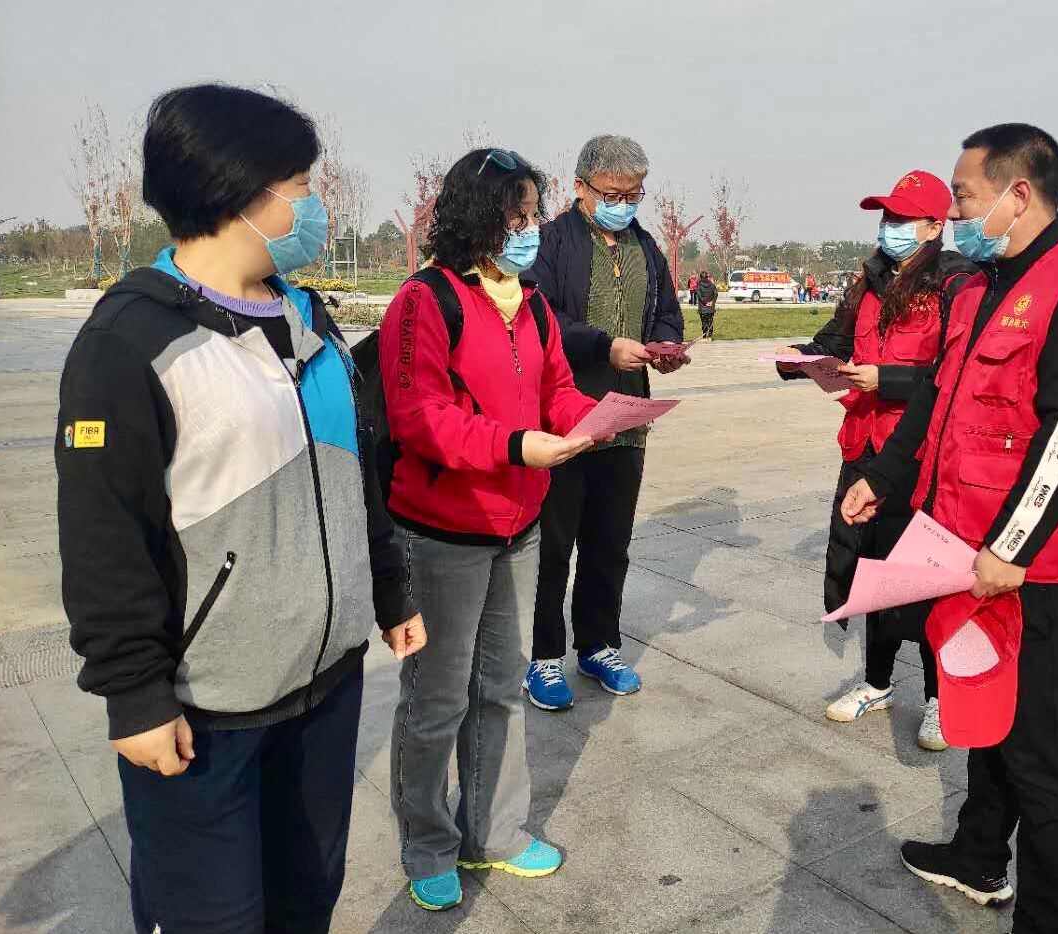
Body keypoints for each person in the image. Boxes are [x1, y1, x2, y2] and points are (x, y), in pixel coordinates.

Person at [55, 84, 425, 934]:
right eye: (300, 185)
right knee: (211, 918)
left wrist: (389, 590)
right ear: (239, 192)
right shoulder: (130, 340)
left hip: (325, 686)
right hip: (205, 708)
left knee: (306, 900)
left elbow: (353, 472)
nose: (313, 206)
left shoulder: (306, 316)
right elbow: (104, 536)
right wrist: (134, 696)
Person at [841, 124, 1058, 933]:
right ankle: (977, 855)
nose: (954, 213)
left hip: (1033, 566)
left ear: (1018, 193)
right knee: (984, 711)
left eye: (963, 196)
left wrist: (1011, 549)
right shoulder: (976, 288)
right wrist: (882, 478)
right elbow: (935, 401)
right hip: (963, 551)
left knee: (1039, 752)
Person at [378, 149, 602, 910]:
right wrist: (514, 446)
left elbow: (556, 389)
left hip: (519, 524)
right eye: (516, 213)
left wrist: (591, 421)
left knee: (501, 689)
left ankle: (494, 834)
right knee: (436, 701)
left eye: (534, 212)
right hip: (442, 531)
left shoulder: (530, 303)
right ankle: (427, 844)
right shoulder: (425, 300)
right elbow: (419, 416)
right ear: (478, 216)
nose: (530, 227)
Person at [775, 170, 973, 748]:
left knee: (925, 577)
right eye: (886, 218)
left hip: (917, 454)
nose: (889, 229)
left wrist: (887, 379)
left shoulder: (955, 284)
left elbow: (954, 372)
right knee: (871, 571)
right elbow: (834, 343)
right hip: (863, 445)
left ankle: (939, 699)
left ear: (934, 226)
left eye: (901, 219)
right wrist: (796, 359)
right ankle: (878, 682)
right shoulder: (870, 281)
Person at [524, 134, 687, 710]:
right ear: (581, 187)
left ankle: (598, 645)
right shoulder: (551, 242)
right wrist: (602, 346)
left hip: (628, 421)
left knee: (609, 544)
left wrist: (664, 345)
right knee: (553, 547)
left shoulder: (646, 245)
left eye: (633, 194)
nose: (623, 204)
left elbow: (666, 311)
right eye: (612, 194)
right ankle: (543, 656)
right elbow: (540, 314)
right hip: (564, 422)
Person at [695, 269, 719, 338]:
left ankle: (704, 335)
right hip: (710, 307)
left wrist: (705, 303)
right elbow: (716, 294)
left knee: (704, 322)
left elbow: (699, 296)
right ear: (707, 277)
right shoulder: (712, 285)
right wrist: (712, 302)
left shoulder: (699, 286)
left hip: (702, 308)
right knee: (710, 321)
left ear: (700, 277)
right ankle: (710, 335)